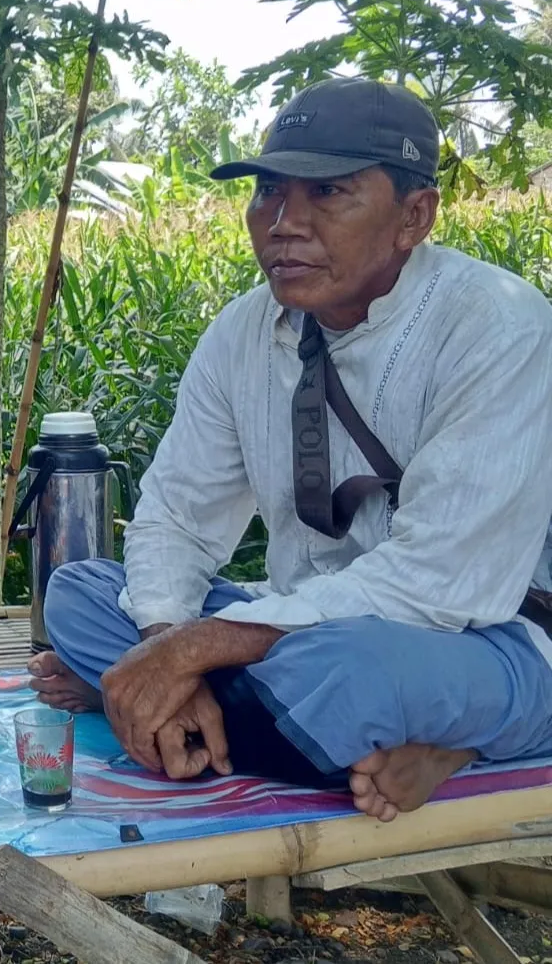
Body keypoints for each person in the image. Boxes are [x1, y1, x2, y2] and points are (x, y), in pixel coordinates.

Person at [27, 76, 552, 822]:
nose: (284, 223)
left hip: (479, 638)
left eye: (328, 192)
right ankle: (318, 737)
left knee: (352, 672)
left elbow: (441, 584)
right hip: (298, 630)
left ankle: (427, 734)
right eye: (269, 192)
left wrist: (191, 653)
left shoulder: (498, 328)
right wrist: (163, 645)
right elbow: (176, 517)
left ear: (414, 215)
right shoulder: (243, 333)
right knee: (80, 593)